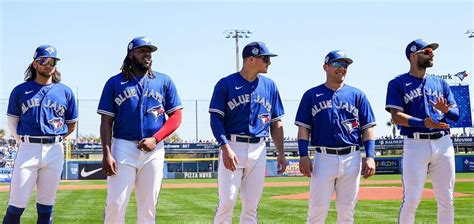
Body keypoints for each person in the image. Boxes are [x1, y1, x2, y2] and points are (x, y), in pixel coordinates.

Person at [97, 36, 183, 224]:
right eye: (142, 50)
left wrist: (156, 138)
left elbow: (176, 116)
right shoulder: (114, 83)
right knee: (115, 204)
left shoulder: (163, 81)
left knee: (148, 207)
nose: (147, 54)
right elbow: (106, 121)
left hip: (154, 149)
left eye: (149, 51)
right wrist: (106, 153)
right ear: (130, 54)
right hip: (123, 147)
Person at [209, 41, 287, 224]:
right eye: (265, 58)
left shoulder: (270, 86)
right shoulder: (226, 84)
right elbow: (215, 119)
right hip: (232, 145)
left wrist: (281, 152)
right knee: (227, 202)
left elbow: (276, 123)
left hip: (259, 147)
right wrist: (224, 146)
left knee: (251, 206)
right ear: (251, 59)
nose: (269, 62)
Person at [295, 50, 376, 223]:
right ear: (325, 67)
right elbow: (303, 129)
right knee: (317, 209)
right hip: (323, 157)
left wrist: (370, 157)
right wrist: (303, 155)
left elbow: (368, 129)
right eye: (337, 64)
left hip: (352, 157)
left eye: (345, 65)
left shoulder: (358, 95)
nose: (342, 68)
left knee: (347, 212)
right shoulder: (311, 95)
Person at [385, 39, 459, 224]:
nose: (431, 54)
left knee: (447, 200)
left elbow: (456, 115)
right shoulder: (398, 83)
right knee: (411, 200)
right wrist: (423, 123)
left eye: (432, 51)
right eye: (427, 51)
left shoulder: (440, 83)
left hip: (443, 143)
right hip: (415, 144)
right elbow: (397, 116)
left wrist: (446, 111)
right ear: (413, 55)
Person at [3, 45, 78, 224]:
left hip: (55, 150)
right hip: (28, 148)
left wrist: (56, 139)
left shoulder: (65, 92)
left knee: (46, 209)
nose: (48, 64)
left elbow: (71, 125)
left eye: (52, 61)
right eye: (43, 60)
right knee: (16, 207)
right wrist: (21, 140)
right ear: (35, 64)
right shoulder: (20, 90)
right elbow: (12, 121)